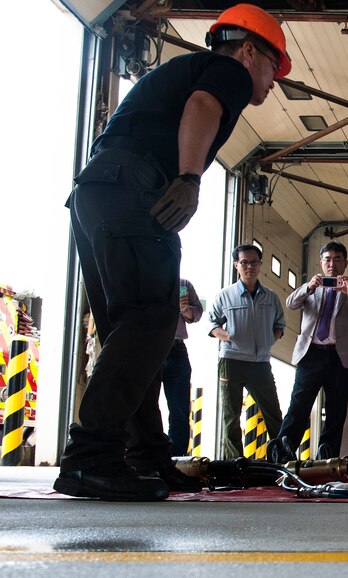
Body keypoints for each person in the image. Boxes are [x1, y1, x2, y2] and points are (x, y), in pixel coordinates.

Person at [55, 3, 291, 500]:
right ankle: (90, 455)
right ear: (249, 50)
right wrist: (187, 178)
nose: (274, 80)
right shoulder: (225, 70)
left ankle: (142, 457)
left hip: (96, 194)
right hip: (132, 190)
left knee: (133, 330)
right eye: (274, 65)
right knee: (150, 321)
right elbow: (203, 107)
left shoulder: (187, 70)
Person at [278, 241, 348, 459]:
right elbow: (291, 303)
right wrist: (308, 287)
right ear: (321, 263)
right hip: (311, 354)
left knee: (336, 411)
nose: (332, 264)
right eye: (328, 259)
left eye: (337, 259)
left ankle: (327, 457)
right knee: (299, 406)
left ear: (345, 263)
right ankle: (283, 453)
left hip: (340, 357)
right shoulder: (311, 288)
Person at [209, 244, 287, 460]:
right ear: (236, 265)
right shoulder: (224, 296)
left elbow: (280, 323)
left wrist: (272, 339)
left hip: (261, 362)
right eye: (244, 262)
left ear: (260, 265)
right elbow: (212, 324)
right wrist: (227, 335)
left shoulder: (271, 297)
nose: (249, 266)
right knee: (231, 417)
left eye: (254, 262)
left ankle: (282, 461)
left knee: (273, 414)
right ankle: (235, 464)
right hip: (231, 360)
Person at [163, 278, 202, 457]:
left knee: (179, 408)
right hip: (149, 347)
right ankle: (144, 456)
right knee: (145, 405)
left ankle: (176, 457)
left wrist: (186, 310)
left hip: (177, 349)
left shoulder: (183, 284)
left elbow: (198, 313)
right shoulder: (146, 278)